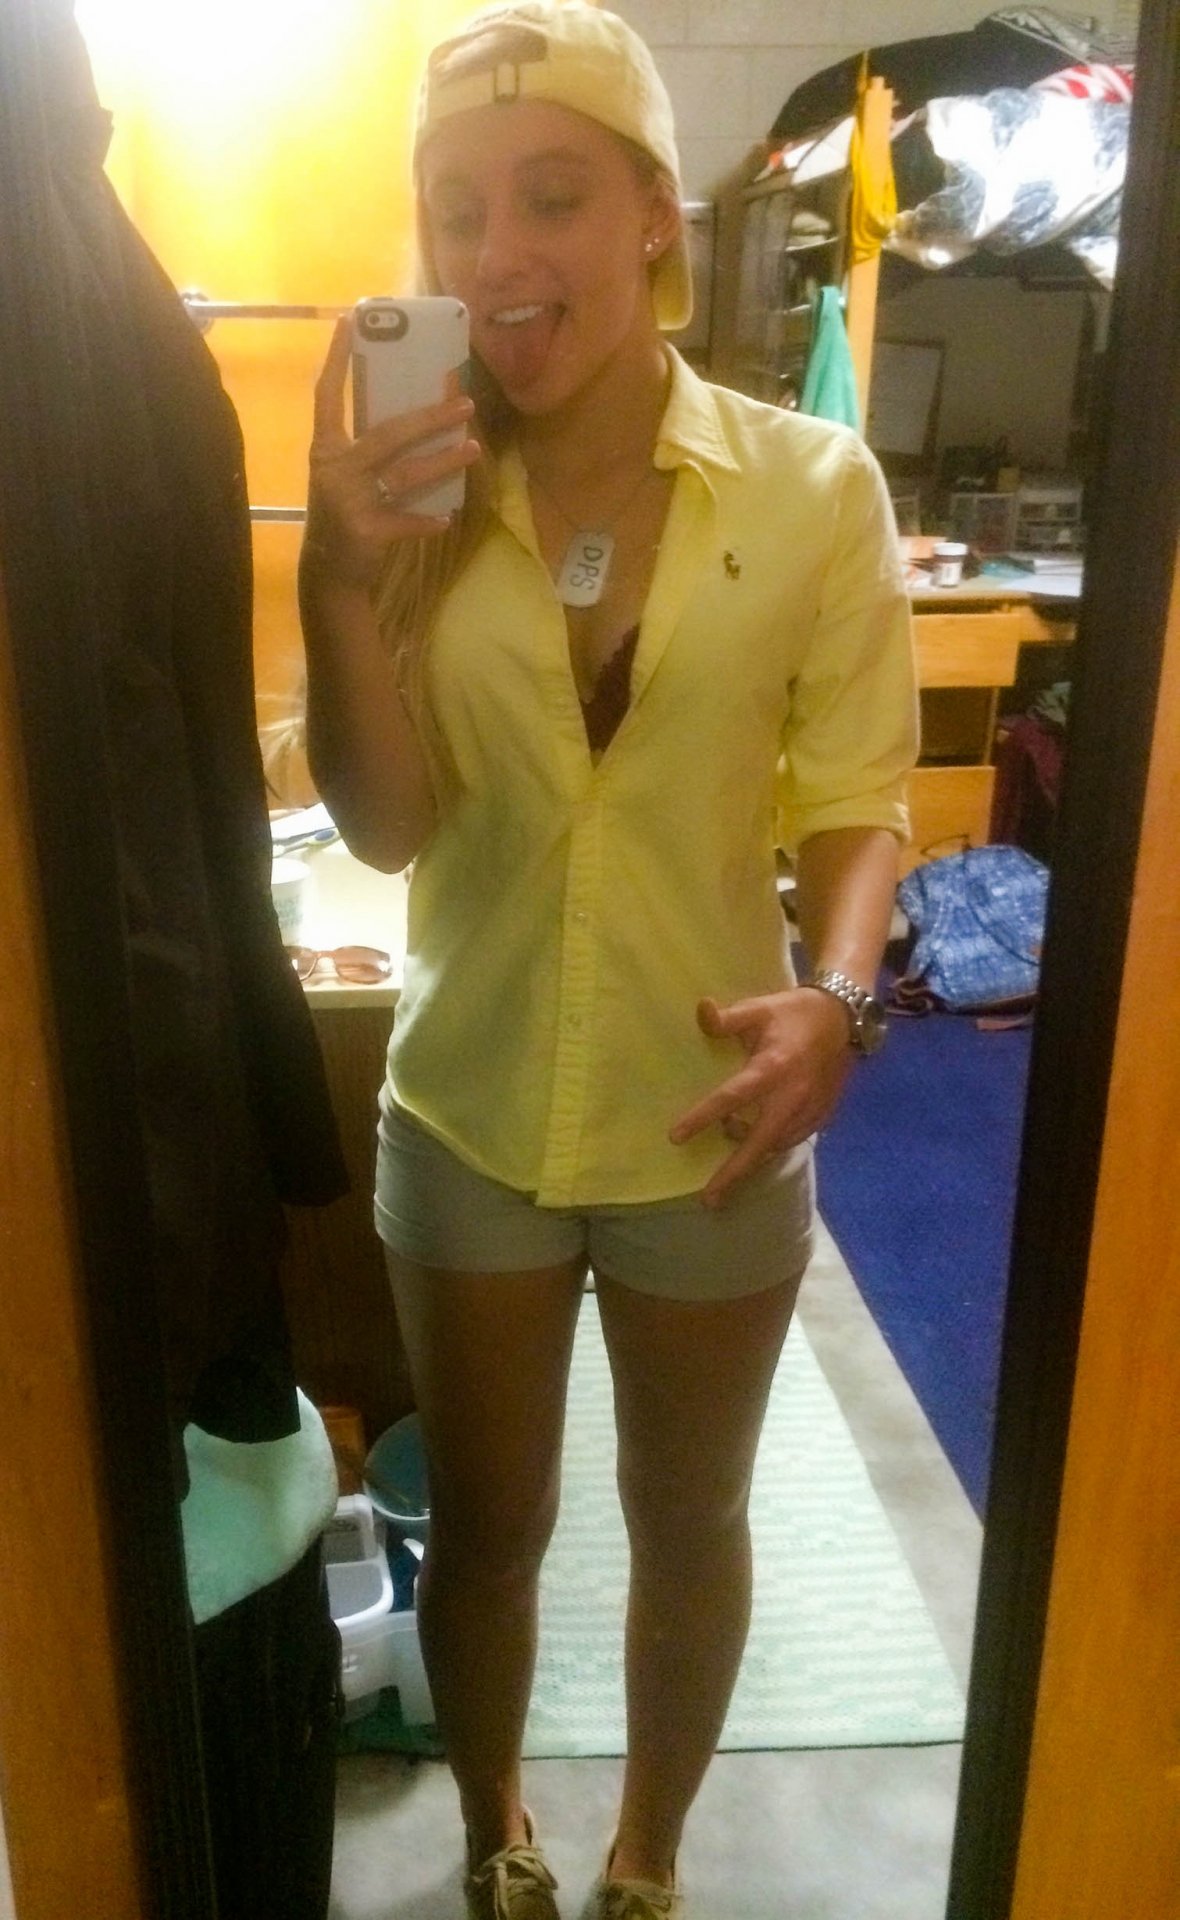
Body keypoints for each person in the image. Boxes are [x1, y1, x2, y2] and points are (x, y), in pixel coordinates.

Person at [299, 5, 918, 1915]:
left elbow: (863, 796)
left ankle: (648, 1857)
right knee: (488, 1529)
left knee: (691, 1520)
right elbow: (387, 825)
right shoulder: (419, 494)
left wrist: (841, 1001)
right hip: (470, 1104)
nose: (497, 253)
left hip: (708, 1105)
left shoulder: (813, 489)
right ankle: (496, 1831)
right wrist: (336, 580)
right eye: (457, 207)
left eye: (553, 197)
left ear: (655, 213)